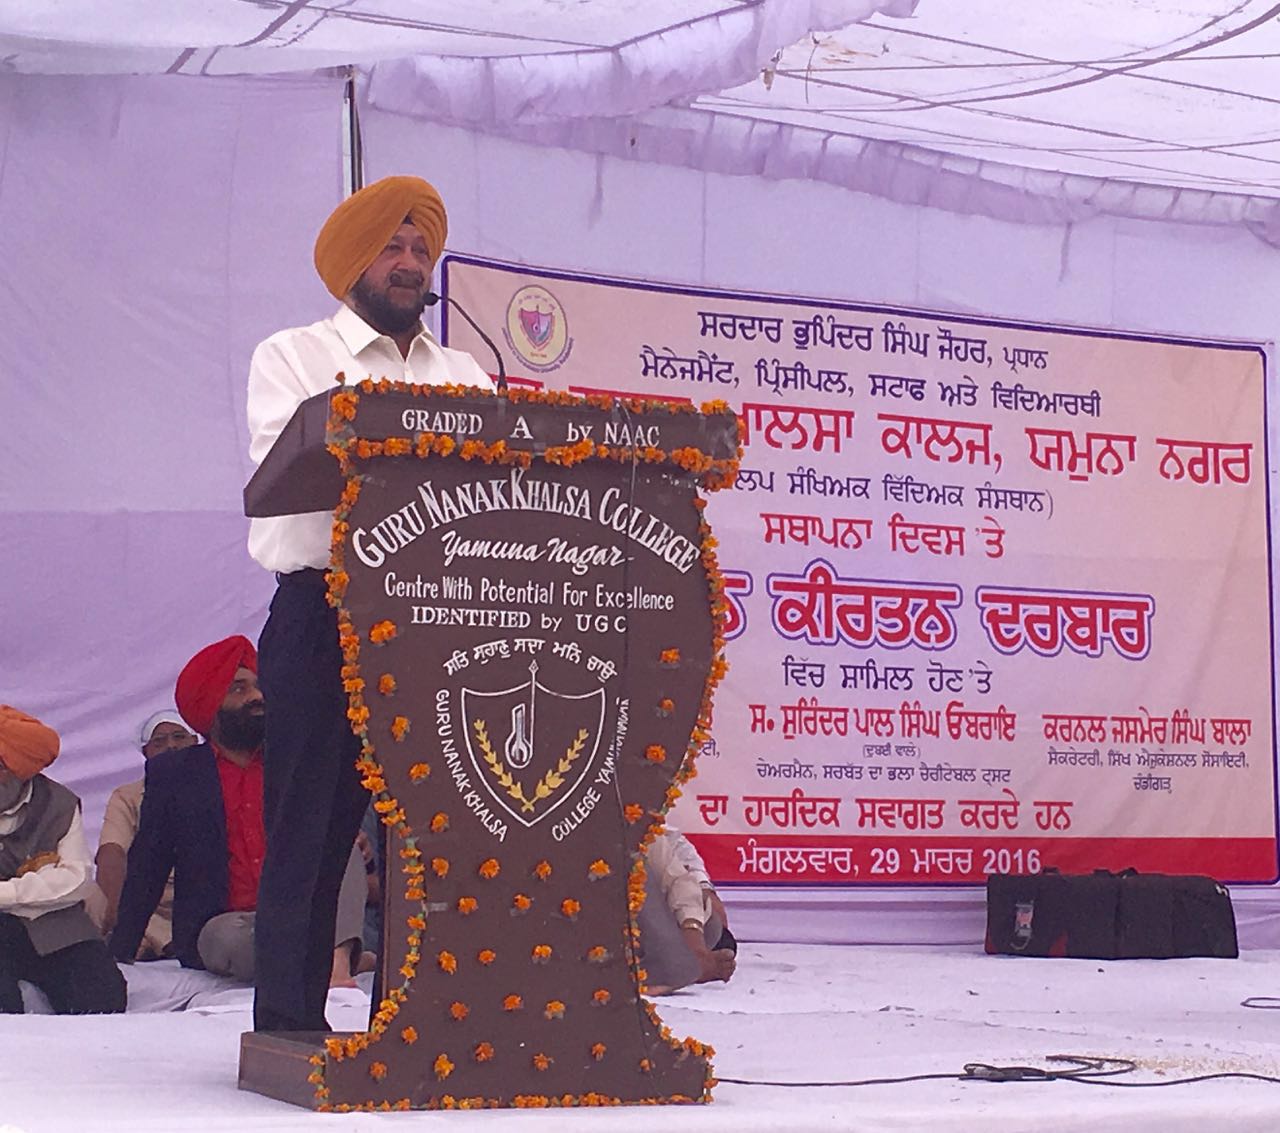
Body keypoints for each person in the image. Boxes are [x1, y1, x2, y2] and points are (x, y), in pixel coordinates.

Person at [246, 175, 494, 1032]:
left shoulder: (463, 372)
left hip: (443, 620)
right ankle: (288, 1022)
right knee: (312, 827)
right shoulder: (293, 356)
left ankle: (433, 1018)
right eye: (392, 246)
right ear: (354, 261)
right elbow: (282, 469)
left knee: (446, 821)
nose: (410, 262)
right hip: (327, 611)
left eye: (421, 248)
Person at [110, 637, 368, 984]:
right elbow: (149, 863)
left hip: (298, 909)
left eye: (258, 686)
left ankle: (336, 963)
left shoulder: (292, 762)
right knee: (229, 940)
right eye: (238, 689)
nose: (256, 696)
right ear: (210, 704)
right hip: (227, 923)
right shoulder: (175, 774)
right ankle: (324, 959)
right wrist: (121, 950)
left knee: (342, 846)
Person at [0, 705, 127, 1015]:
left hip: (56, 926)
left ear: (20, 769)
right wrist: (42, 886)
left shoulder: (60, 803)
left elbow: (75, 878)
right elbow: (57, 881)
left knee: (103, 997)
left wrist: (7, 893)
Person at [92, 709, 195, 957]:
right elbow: (111, 852)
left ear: (195, 743)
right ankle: (160, 942)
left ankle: (155, 943)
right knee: (86, 899)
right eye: (159, 742)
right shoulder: (127, 797)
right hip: (148, 903)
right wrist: (115, 911)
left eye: (179, 737)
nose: (171, 746)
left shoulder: (220, 787)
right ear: (145, 753)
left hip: (202, 900)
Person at [637, 829, 737, 995]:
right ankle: (670, 972)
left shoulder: (633, 824)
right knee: (634, 866)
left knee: (711, 926)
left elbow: (676, 878)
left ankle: (681, 966)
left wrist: (694, 942)